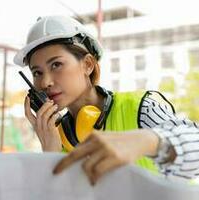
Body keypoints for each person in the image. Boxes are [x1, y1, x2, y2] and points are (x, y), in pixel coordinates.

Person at [15, 16, 199, 184]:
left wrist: (147, 141)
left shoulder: (139, 107)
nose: (45, 82)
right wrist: (50, 155)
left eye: (56, 64)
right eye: (37, 73)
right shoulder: (55, 136)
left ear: (87, 65)